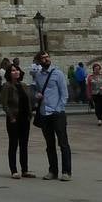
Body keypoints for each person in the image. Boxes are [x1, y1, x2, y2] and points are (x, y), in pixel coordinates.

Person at [31, 50, 72, 181]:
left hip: (57, 113)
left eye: (47, 57)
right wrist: (36, 95)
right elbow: (36, 90)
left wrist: (59, 109)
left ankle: (66, 171)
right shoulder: (38, 76)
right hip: (44, 113)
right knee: (49, 144)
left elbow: (64, 94)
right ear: (39, 61)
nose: (46, 59)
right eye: (43, 58)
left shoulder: (58, 74)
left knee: (63, 143)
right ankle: (52, 171)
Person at [0, 67, 34, 179]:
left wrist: (30, 115)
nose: (16, 72)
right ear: (9, 74)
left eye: (17, 70)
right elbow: (4, 104)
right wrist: (11, 117)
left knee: (24, 145)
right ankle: (14, 170)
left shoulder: (24, 85)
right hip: (14, 118)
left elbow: (28, 101)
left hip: (25, 118)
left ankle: (25, 170)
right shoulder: (7, 86)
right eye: (13, 71)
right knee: (13, 143)